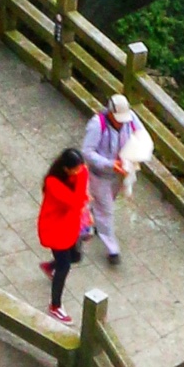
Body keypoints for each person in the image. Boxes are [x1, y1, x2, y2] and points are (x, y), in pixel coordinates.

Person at [80, 91, 144, 265]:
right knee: (106, 210)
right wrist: (109, 163)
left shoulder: (130, 118)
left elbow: (140, 134)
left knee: (107, 202)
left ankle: (91, 215)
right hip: (100, 175)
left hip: (119, 173)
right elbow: (87, 151)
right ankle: (112, 248)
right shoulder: (97, 125)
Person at [37, 144, 91, 323]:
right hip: (55, 228)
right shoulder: (52, 183)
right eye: (75, 169)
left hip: (71, 224)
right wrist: (82, 197)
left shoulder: (79, 171)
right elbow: (75, 202)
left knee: (76, 257)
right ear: (65, 168)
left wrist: (82, 194)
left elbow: (83, 178)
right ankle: (55, 306)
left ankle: (49, 267)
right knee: (65, 265)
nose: (79, 172)